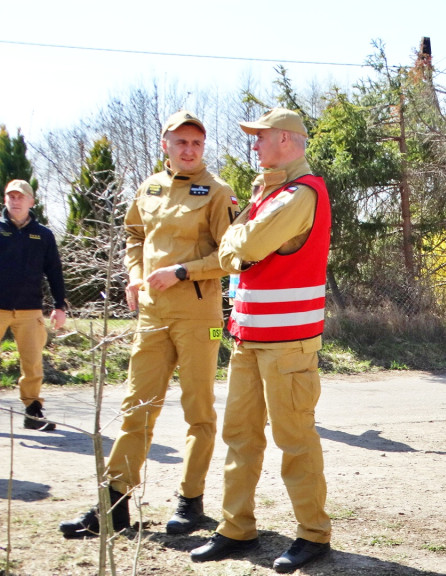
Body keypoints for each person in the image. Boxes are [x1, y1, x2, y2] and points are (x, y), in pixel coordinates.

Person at [59, 111, 237, 538]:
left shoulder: (218, 192)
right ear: (166, 146)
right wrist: (134, 276)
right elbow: (135, 236)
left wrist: (181, 272)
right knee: (136, 407)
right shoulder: (150, 187)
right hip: (153, 314)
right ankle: (114, 504)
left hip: (200, 317)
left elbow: (230, 257)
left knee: (199, 411)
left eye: (196, 143)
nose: (189, 150)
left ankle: (191, 501)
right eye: (181, 142)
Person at [190, 108, 332, 574]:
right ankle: (236, 528)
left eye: (261, 137)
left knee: (295, 440)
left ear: (286, 140)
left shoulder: (301, 194)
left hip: (288, 343)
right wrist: (240, 241)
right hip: (248, 337)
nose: (254, 145)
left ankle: (313, 534)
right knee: (240, 437)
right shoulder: (270, 193)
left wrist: (238, 242)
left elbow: (244, 249)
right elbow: (232, 251)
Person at [1, 179, 66, 431]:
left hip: (30, 310)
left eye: (21, 197)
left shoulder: (44, 235)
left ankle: (33, 412)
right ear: (5, 199)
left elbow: (54, 272)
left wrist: (59, 306)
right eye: (11, 196)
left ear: (31, 201)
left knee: (33, 364)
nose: (15, 201)